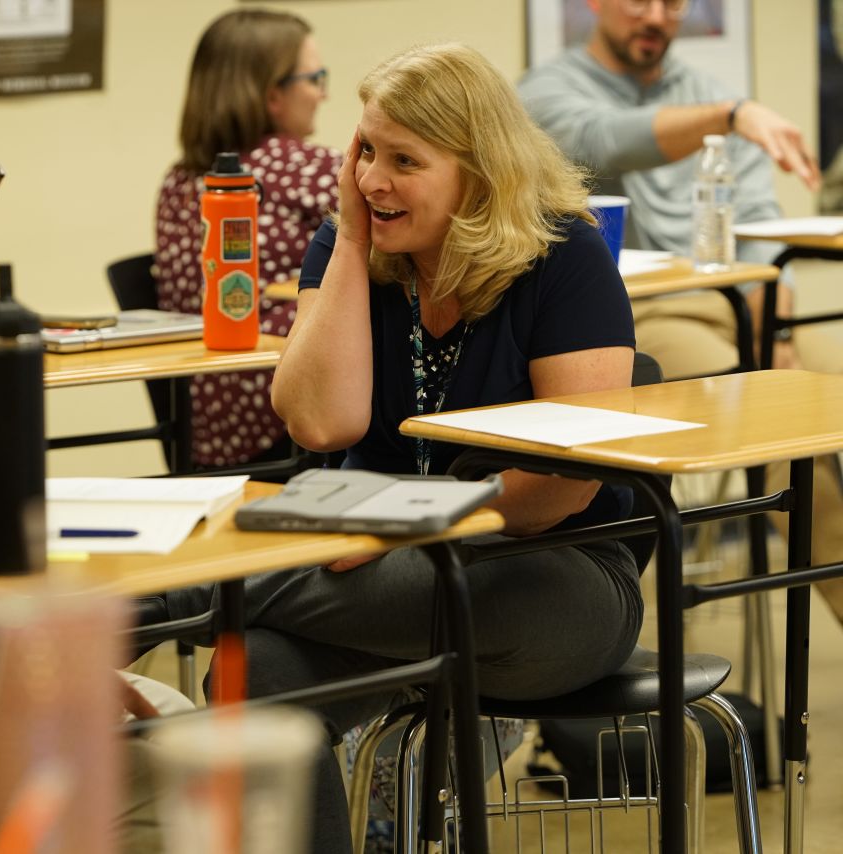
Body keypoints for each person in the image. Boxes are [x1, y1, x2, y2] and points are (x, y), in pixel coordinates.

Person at [159, 43, 644, 852]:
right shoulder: (353, 249)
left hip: (553, 581)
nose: (372, 179)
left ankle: (155, 603)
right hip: (372, 572)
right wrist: (351, 243)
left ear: (478, 171)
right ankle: (180, 600)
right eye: (366, 152)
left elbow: (562, 489)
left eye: (404, 161)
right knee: (258, 675)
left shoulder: (565, 255)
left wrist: (411, 525)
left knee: (257, 588)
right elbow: (321, 424)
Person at [518, 0, 843, 622]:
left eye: (672, 4)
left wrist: (773, 325)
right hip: (645, 313)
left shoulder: (710, 93)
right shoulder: (547, 90)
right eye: (639, 2)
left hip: (738, 301)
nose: (657, 17)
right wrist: (731, 117)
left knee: (820, 388)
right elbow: (601, 139)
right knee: (782, 417)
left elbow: (759, 227)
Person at [154, 8, 341, 469]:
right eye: (315, 78)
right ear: (273, 95)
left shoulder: (178, 180)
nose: (323, 93)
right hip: (279, 403)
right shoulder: (302, 167)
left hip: (202, 409)